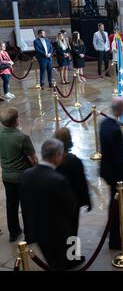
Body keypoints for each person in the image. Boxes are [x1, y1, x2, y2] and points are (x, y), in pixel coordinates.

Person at [21, 139, 83, 270]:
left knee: (51, 262)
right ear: (56, 156)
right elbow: (71, 206)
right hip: (58, 233)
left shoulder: (27, 175)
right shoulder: (58, 180)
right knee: (59, 265)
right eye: (60, 155)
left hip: (38, 230)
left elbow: (25, 203)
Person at [100, 97, 123, 250]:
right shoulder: (115, 130)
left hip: (107, 172)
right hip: (116, 176)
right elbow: (120, 160)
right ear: (120, 110)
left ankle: (114, 233)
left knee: (114, 203)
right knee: (120, 204)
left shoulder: (104, 124)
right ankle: (114, 239)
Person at [0, 108, 38, 242]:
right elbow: (33, 159)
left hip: (6, 176)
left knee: (11, 205)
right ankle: (30, 235)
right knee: (26, 206)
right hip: (22, 177)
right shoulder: (22, 137)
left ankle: (14, 232)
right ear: (16, 121)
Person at [54, 128, 91, 237]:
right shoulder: (74, 161)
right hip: (72, 202)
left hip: (56, 201)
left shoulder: (51, 160)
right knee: (72, 229)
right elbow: (81, 183)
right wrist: (87, 201)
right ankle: (72, 254)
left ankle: (62, 252)